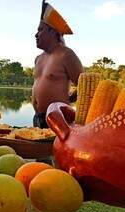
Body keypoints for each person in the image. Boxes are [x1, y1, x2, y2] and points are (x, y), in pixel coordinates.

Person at [32, 0, 84, 128]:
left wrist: (70, 98)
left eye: (40, 30)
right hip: (38, 118)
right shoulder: (38, 58)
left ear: (53, 32)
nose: (36, 34)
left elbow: (84, 86)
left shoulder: (66, 55)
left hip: (60, 120)